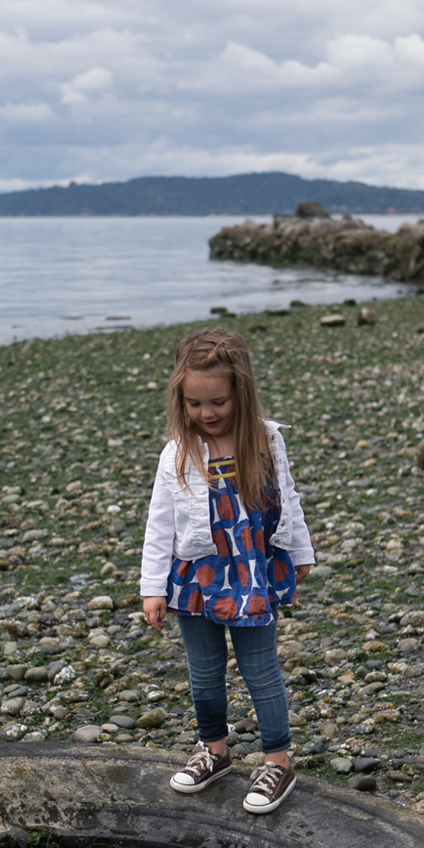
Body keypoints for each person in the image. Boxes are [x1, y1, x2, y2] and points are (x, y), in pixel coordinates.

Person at [140, 327, 314, 814]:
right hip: (194, 578)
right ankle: (213, 750)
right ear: (180, 400)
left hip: (252, 573)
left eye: (217, 401)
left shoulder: (266, 440)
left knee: (261, 670)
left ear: (241, 391)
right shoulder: (176, 454)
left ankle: (278, 761)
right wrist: (153, 588)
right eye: (195, 404)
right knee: (204, 670)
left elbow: (288, 497)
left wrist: (300, 552)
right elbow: (159, 524)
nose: (207, 413)